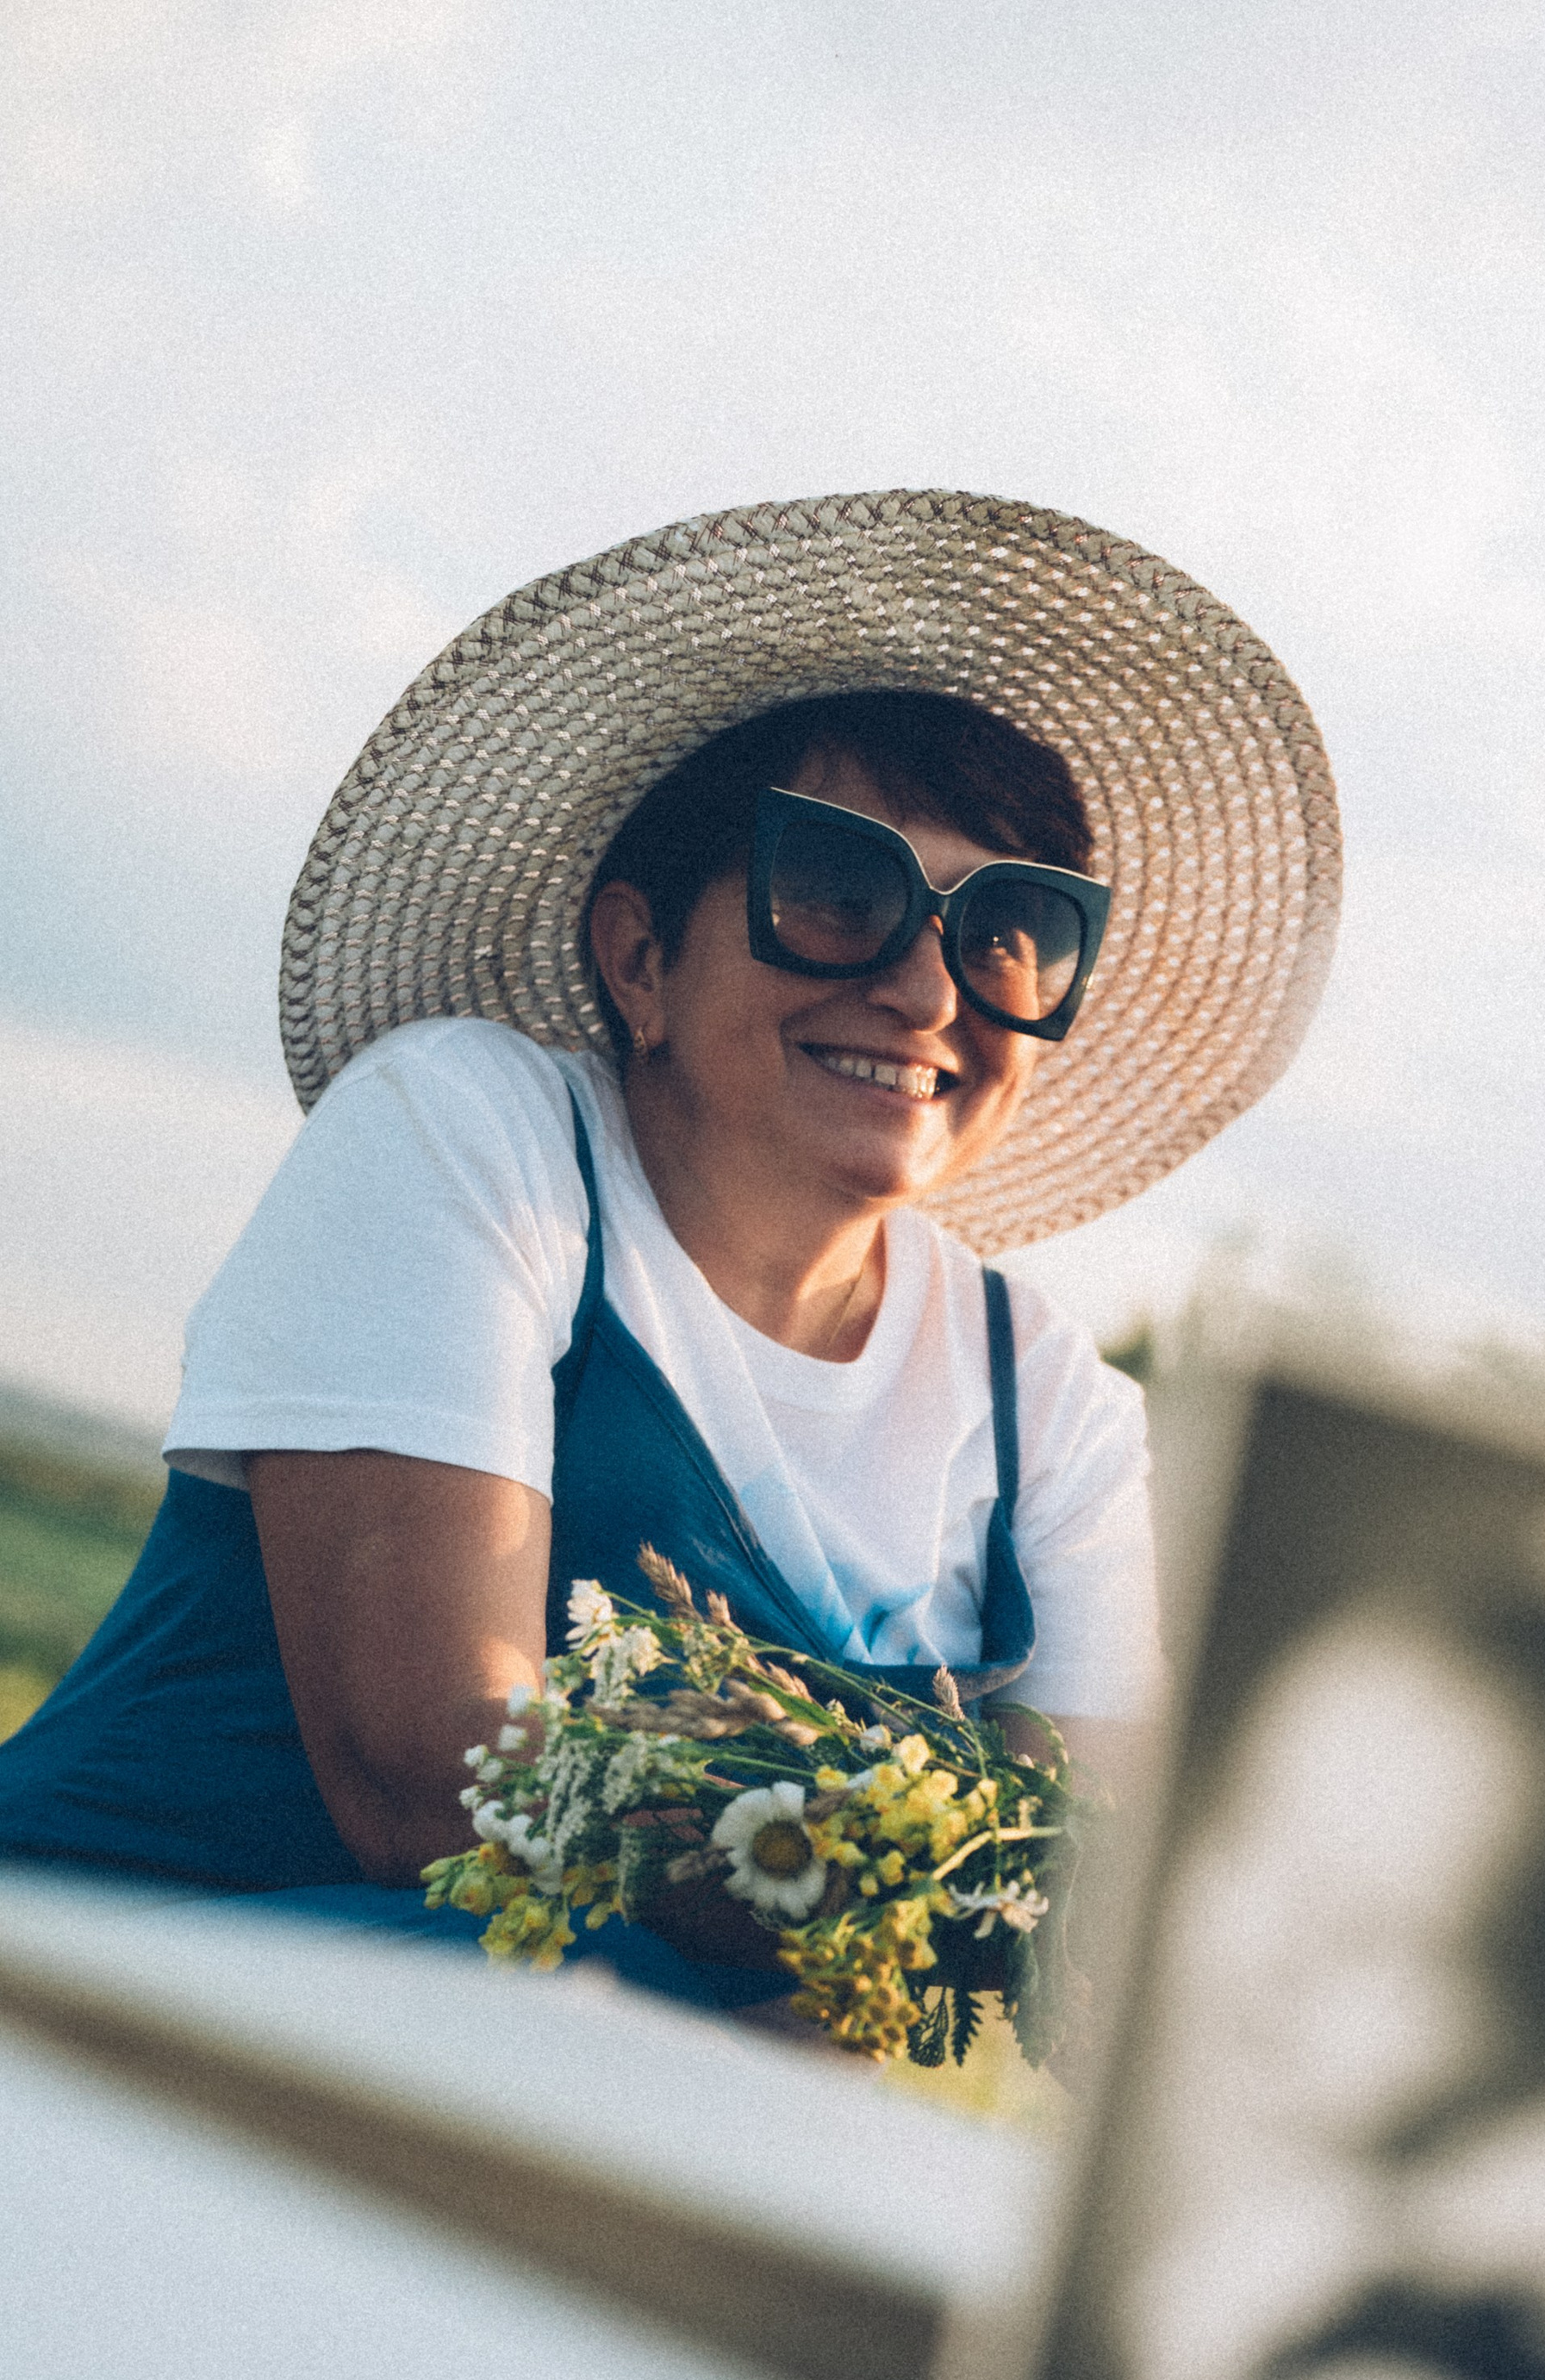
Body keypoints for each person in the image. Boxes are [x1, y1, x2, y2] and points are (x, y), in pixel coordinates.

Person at [0, 492, 1340, 2015]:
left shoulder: (1053, 1411)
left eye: (1013, 927)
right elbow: (431, 1783)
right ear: (638, 955)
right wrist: (940, 1887)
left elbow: (1100, 1930)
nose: (925, 988)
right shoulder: (469, 1132)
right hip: (98, 2036)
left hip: (595, 2143)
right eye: (841, 890)